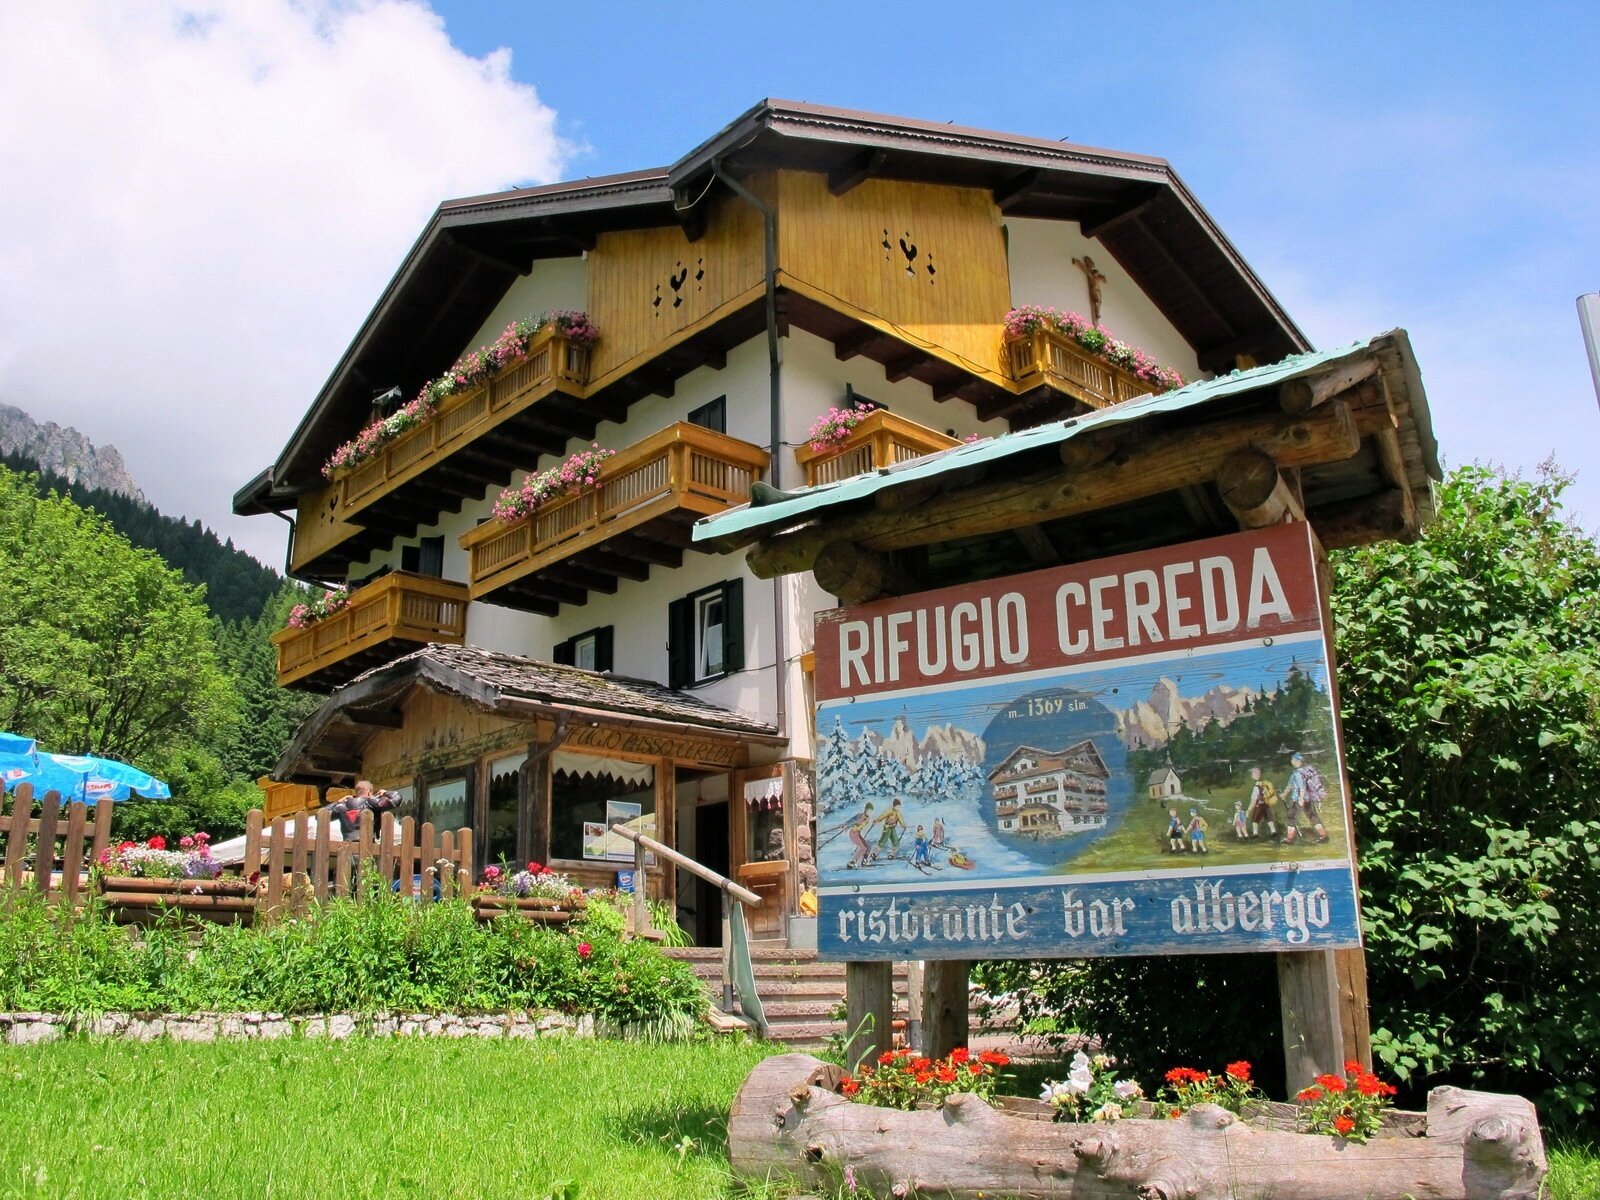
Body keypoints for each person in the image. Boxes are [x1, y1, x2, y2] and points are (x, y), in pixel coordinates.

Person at [1281, 752, 1330, 844]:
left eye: (1294, 760)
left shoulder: (1298, 774)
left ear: (1298, 761)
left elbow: (1302, 787)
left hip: (1299, 799)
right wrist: (1284, 794)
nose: (1292, 762)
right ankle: (1323, 835)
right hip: (1307, 799)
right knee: (1312, 816)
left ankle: (1289, 839)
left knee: (1291, 817)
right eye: (1292, 760)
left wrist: (1300, 799)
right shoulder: (1302, 771)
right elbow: (1290, 785)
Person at [1246, 766, 1279, 840]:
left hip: (1259, 805)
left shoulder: (1257, 786)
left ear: (1255, 775)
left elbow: (1253, 801)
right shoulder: (1265, 783)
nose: (1252, 775)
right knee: (1268, 818)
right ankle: (1273, 831)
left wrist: (1248, 810)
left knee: (1255, 819)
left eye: (1253, 774)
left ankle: (1255, 833)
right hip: (1266, 804)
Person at [846, 802, 875, 869]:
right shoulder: (860, 816)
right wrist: (845, 825)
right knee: (863, 848)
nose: (870, 813)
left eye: (871, 811)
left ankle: (864, 861)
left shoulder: (867, 819)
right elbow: (852, 820)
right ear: (866, 810)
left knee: (868, 847)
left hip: (857, 833)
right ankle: (853, 862)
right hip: (853, 834)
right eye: (869, 811)